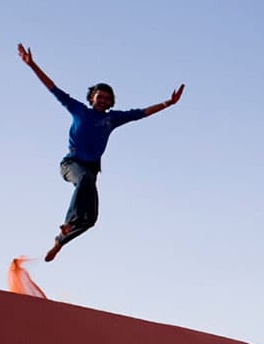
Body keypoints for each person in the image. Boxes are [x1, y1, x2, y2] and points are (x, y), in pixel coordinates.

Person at [17, 43, 185, 262]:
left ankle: (59, 242)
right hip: (71, 165)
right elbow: (52, 87)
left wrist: (168, 103)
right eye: (99, 96)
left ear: (111, 102)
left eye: (107, 98)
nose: (103, 100)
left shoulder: (112, 118)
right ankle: (69, 222)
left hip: (91, 171)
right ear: (92, 98)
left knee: (90, 219)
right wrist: (32, 65)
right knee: (84, 179)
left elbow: (141, 113)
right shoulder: (78, 109)